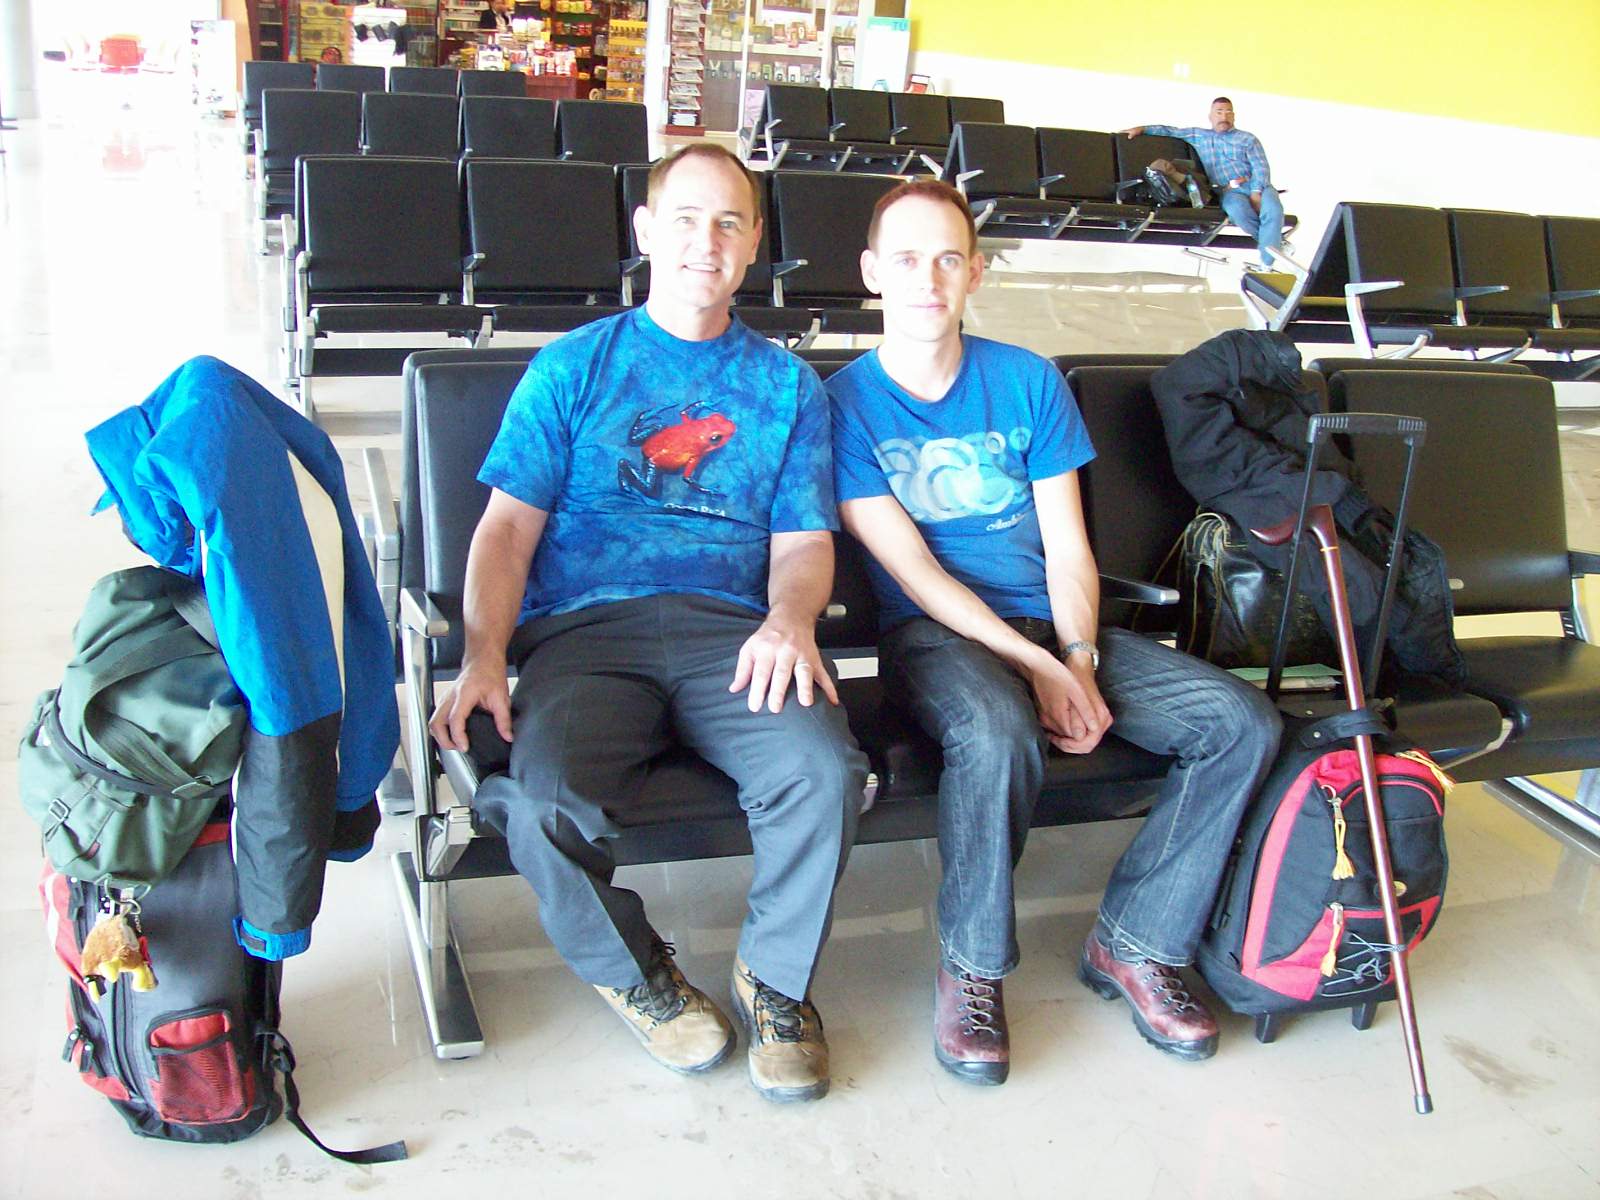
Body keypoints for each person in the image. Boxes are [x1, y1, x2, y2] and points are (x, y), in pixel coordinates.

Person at [429, 143, 868, 1104]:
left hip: (733, 634)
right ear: (646, 231)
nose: (706, 241)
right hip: (585, 636)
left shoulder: (788, 388)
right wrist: (483, 654)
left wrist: (790, 619)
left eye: (728, 223)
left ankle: (775, 978)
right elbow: (506, 529)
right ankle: (637, 973)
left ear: (754, 242)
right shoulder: (573, 366)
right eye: (686, 219)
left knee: (823, 773)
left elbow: (803, 541)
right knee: (542, 803)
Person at [826, 180, 1283, 1084]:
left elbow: (1070, 549)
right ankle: (972, 968)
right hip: (935, 637)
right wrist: (1038, 667)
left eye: (947, 259)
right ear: (872, 272)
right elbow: (914, 574)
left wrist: (1075, 656)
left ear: (975, 273)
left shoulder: (1027, 381)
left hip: (1054, 624)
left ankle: (1137, 940)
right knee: (997, 731)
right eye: (907, 259)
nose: (927, 279)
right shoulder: (842, 405)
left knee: (1238, 724)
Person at [1121, 97, 1285, 264]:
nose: (1224, 116)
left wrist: (1256, 192)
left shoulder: (1247, 139)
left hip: (1257, 184)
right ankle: (1276, 244)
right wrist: (1142, 129)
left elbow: (1261, 167)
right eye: (1219, 112)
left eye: (1228, 112)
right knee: (1238, 212)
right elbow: (1171, 131)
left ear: (1234, 116)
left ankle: (1267, 263)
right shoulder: (1200, 136)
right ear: (1210, 116)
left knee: (1273, 211)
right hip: (1230, 191)